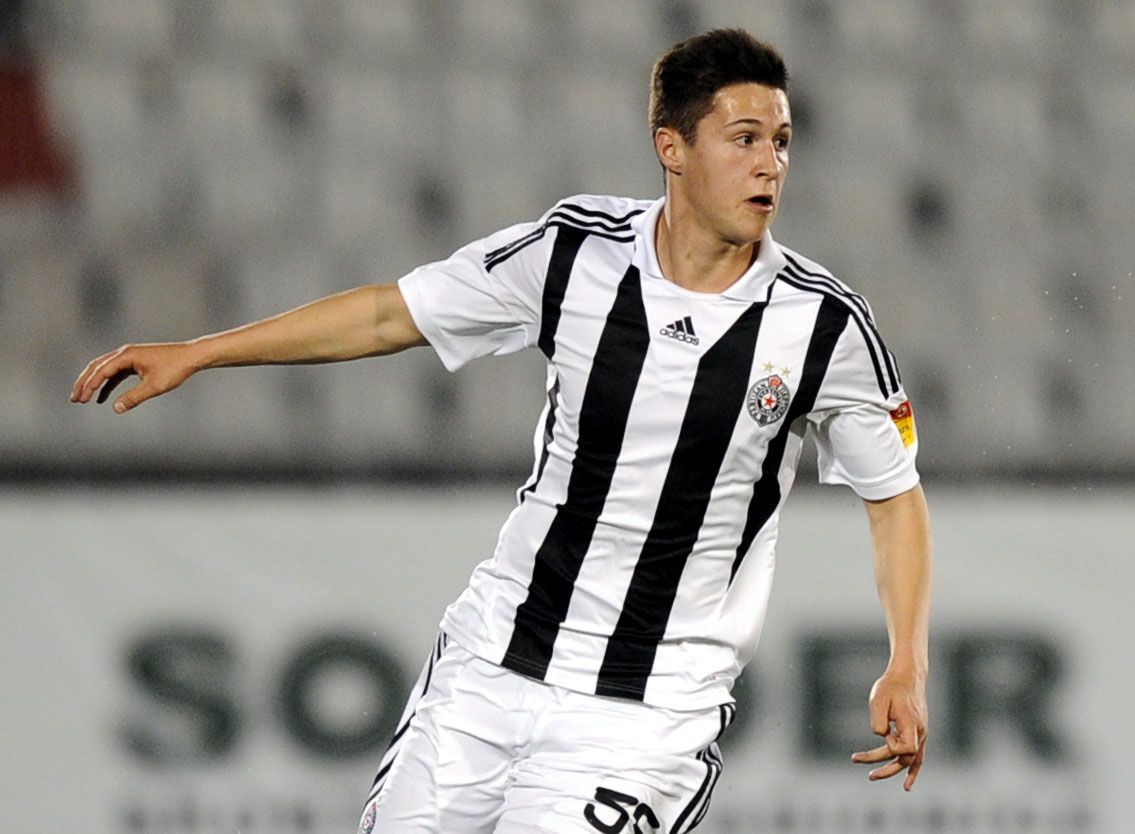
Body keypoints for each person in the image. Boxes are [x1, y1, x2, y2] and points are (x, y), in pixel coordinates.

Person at [72, 28, 932, 834]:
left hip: (644, 715)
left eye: (780, 141)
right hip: (489, 666)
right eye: (743, 138)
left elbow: (894, 498)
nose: (769, 163)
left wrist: (906, 662)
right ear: (672, 148)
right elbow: (388, 316)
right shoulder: (575, 253)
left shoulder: (823, 326)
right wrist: (202, 352)